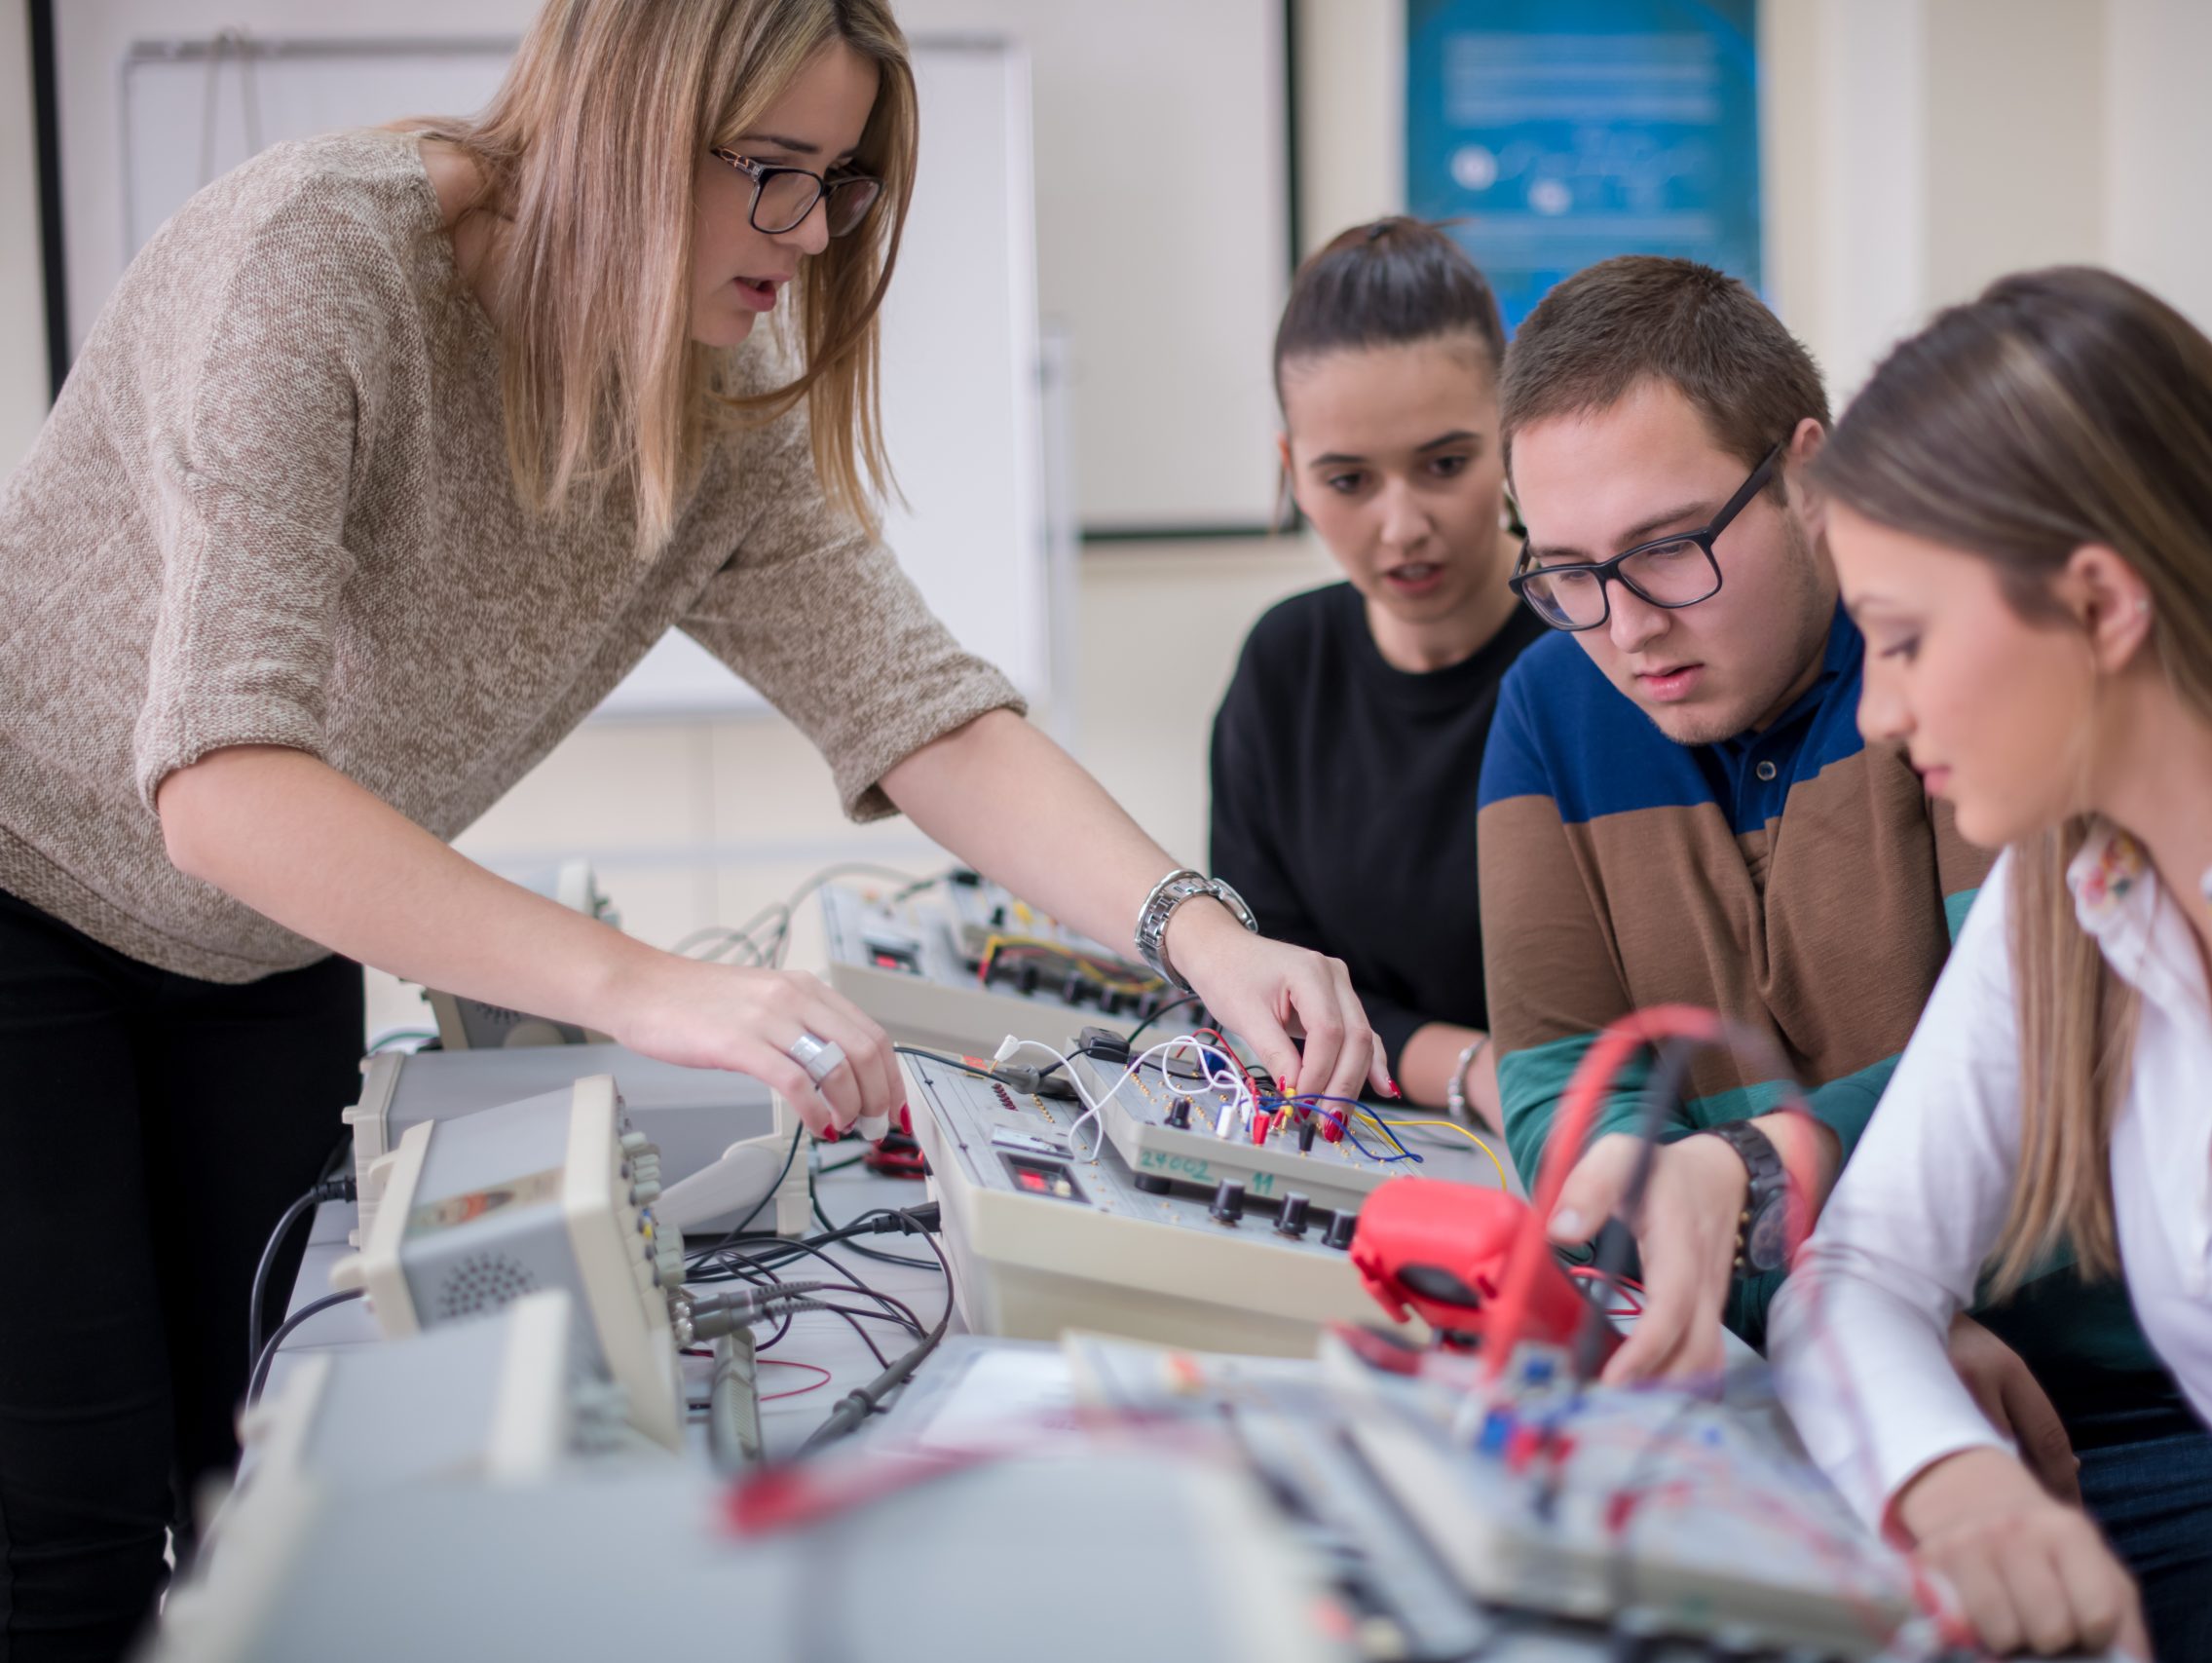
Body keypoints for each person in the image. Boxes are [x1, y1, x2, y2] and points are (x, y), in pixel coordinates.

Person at [0, 5, 1383, 1655]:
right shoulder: (320, 268)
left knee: (268, 1482)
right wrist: (650, 988)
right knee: (68, 1539)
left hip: (273, 939)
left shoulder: (706, 404)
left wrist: (1199, 932)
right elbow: (221, 782)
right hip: (28, 894)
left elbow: (918, 706)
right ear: (621, 124)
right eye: (770, 173)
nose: (804, 237)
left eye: (839, 185)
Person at [1480, 256, 2212, 1660]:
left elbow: (2060, 1102)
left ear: (1804, 476)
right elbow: (1577, 1125)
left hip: (2152, 1411)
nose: (1627, 623)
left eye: (1666, 547)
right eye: (1569, 575)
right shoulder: (1559, 699)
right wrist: (1847, 1319)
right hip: (1817, 1371)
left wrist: (1752, 1179)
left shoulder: (2001, 710)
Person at [1771, 265, 2212, 1660]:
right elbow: (1852, 1271)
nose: (1873, 710)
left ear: (2101, 603)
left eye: (1905, 638)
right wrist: (1952, 1479)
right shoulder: (2072, 892)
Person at [1210, 218, 1542, 1127]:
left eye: (1444, 464)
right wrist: (1477, 1071)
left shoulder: (1597, 649)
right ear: (1293, 472)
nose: (1401, 528)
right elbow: (1264, 989)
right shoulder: (1284, 667)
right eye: (1349, 481)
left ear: (1510, 433)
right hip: (1365, 1138)